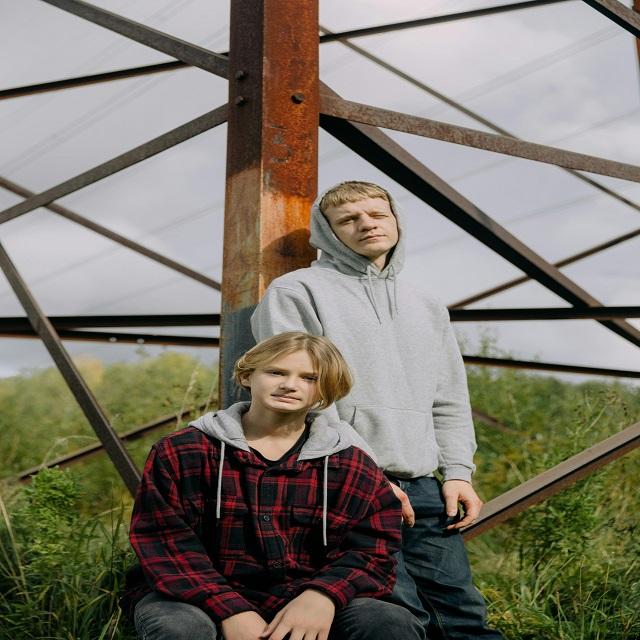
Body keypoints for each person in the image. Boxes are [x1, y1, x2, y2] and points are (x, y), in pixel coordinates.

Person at [251, 181, 503, 639]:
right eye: (349, 219)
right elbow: (301, 397)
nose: (366, 224)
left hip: (425, 487)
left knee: (463, 617)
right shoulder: (297, 291)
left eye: (377, 214)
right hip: (344, 482)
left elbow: (449, 395)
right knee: (396, 616)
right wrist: (365, 475)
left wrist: (458, 473)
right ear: (327, 232)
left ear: (396, 220)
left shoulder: (426, 303)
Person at [123, 331, 425, 640]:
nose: (290, 384)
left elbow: (372, 550)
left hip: (306, 599)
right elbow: (165, 541)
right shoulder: (183, 451)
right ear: (247, 375)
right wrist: (231, 610)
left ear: (326, 389)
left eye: (309, 378)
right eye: (276, 372)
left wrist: (323, 596)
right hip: (197, 595)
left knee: (389, 621)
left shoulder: (351, 464)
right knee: (182, 627)